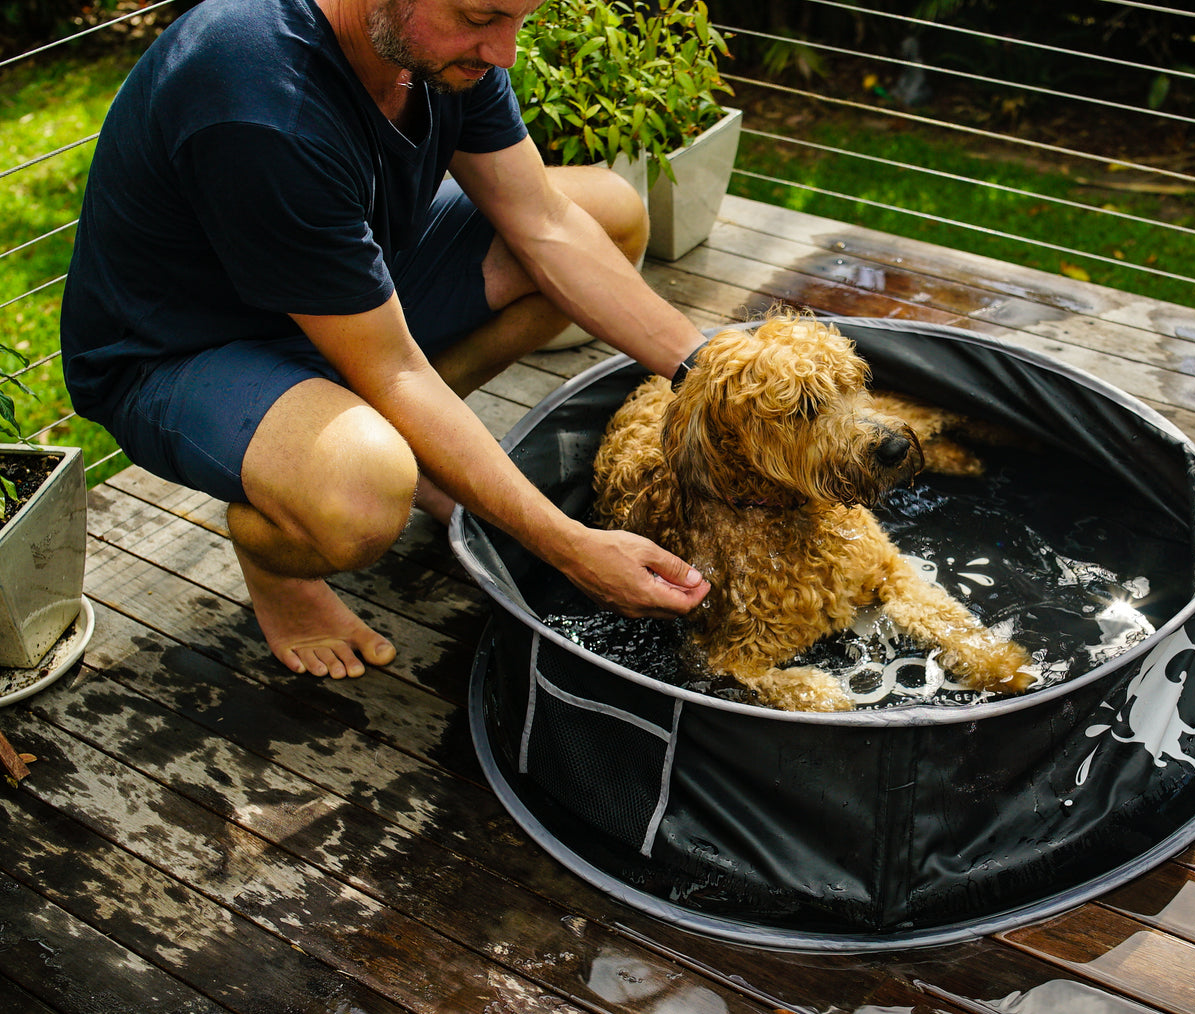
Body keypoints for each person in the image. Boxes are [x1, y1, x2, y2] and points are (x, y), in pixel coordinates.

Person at [60, 0, 712, 680]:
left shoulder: (439, 51)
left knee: (607, 216)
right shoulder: (259, 92)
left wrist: (714, 371)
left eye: (519, 20)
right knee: (362, 492)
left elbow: (544, 223)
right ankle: (276, 552)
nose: (506, 53)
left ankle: (419, 454)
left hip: (345, 290)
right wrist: (569, 545)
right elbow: (394, 369)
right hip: (183, 349)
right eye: (481, 16)